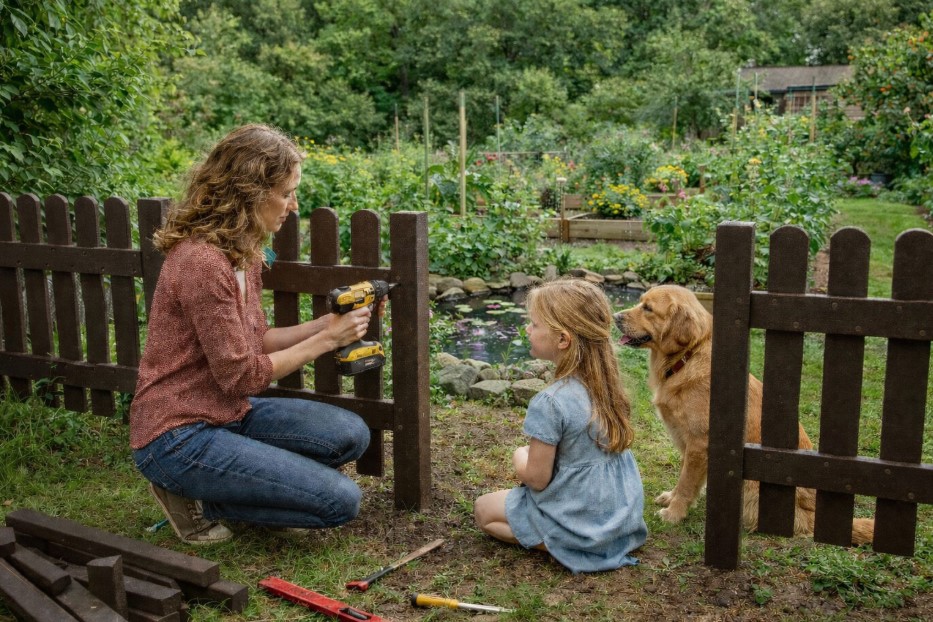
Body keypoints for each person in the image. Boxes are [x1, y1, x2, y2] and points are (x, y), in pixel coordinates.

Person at [130, 124, 380, 545]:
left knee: (350, 434)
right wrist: (328, 341)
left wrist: (327, 324)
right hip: (177, 434)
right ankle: (192, 494)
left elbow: (257, 339)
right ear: (247, 192)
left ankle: (240, 482)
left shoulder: (242, 252)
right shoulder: (202, 263)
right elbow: (243, 376)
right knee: (340, 500)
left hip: (229, 414)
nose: (293, 205)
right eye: (286, 193)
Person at [474, 278, 648, 573]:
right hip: (621, 516)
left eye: (535, 324)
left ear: (563, 340)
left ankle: (573, 545)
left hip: (579, 512)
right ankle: (601, 538)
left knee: (484, 510)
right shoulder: (608, 387)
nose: (528, 329)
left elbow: (537, 479)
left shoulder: (550, 402)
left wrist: (519, 456)